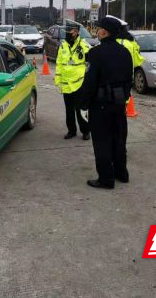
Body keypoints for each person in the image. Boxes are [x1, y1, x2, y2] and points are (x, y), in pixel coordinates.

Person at [79, 16, 133, 189]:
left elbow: (90, 82)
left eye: (99, 28)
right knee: (119, 139)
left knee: (102, 142)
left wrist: (83, 103)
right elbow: (129, 79)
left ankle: (106, 179)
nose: (97, 31)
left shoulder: (95, 53)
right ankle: (121, 173)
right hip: (119, 103)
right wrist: (123, 97)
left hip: (100, 104)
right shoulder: (125, 52)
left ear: (104, 32)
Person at [54, 22, 91, 140]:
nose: (68, 33)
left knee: (81, 109)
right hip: (66, 83)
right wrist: (58, 80)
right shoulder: (63, 46)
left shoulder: (84, 45)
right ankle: (71, 131)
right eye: (67, 30)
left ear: (77, 32)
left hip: (79, 82)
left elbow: (90, 63)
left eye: (71, 31)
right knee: (69, 110)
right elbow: (59, 64)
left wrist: (88, 80)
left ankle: (85, 131)